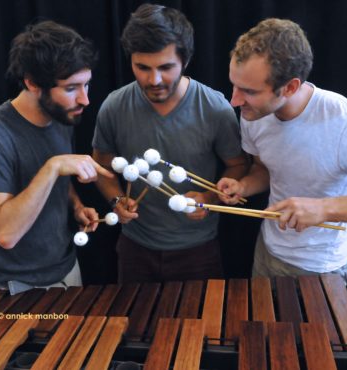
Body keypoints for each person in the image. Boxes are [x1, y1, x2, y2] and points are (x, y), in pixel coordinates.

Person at [217, 18, 347, 278]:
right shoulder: (254, 113)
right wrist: (244, 186)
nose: (234, 100)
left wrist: (324, 209)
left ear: (290, 87)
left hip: (325, 269)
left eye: (248, 90)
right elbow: (265, 168)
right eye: (234, 84)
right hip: (268, 252)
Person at [92, 4, 248, 283]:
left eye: (165, 67)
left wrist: (209, 199)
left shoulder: (215, 108)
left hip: (198, 251)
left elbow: (237, 165)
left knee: (200, 327)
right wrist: (117, 199)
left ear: (185, 61)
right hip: (135, 249)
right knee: (134, 326)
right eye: (142, 68)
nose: (154, 80)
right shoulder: (114, 106)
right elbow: (101, 164)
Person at [0, 20, 113, 294]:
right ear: (32, 83)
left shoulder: (61, 116)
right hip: (15, 288)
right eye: (71, 88)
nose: (85, 100)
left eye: (86, 85)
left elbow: (59, 182)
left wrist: (76, 206)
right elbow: (5, 234)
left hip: (68, 270)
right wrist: (53, 167)